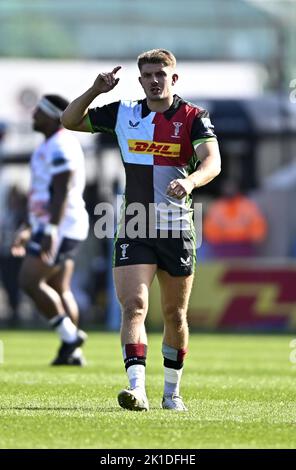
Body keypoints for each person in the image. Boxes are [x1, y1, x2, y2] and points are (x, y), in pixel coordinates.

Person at [62, 49, 221, 410]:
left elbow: (213, 161)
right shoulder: (124, 112)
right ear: (140, 80)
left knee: (174, 315)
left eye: (160, 74)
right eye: (148, 75)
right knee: (134, 306)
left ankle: (171, 392)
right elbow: (69, 120)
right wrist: (94, 90)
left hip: (177, 226)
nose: (154, 80)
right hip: (135, 223)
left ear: (173, 78)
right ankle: (138, 389)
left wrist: (192, 182)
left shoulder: (194, 117)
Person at [11, 94, 89, 365]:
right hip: (59, 224)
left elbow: (61, 191)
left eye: (39, 111)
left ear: (53, 115)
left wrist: (51, 230)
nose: (33, 115)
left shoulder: (60, 145)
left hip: (61, 226)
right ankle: (73, 352)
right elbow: (43, 194)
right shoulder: (52, 144)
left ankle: (70, 337)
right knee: (59, 285)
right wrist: (29, 226)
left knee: (29, 281)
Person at [204, 179, 267, 258]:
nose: (229, 190)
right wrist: (217, 240)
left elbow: (257, 224)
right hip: (222, 247)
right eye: (227, 187)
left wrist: (254, 239)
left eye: (231, 187)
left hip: (245, 246)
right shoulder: (217, 206)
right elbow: (210, 227)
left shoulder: (247, 205)